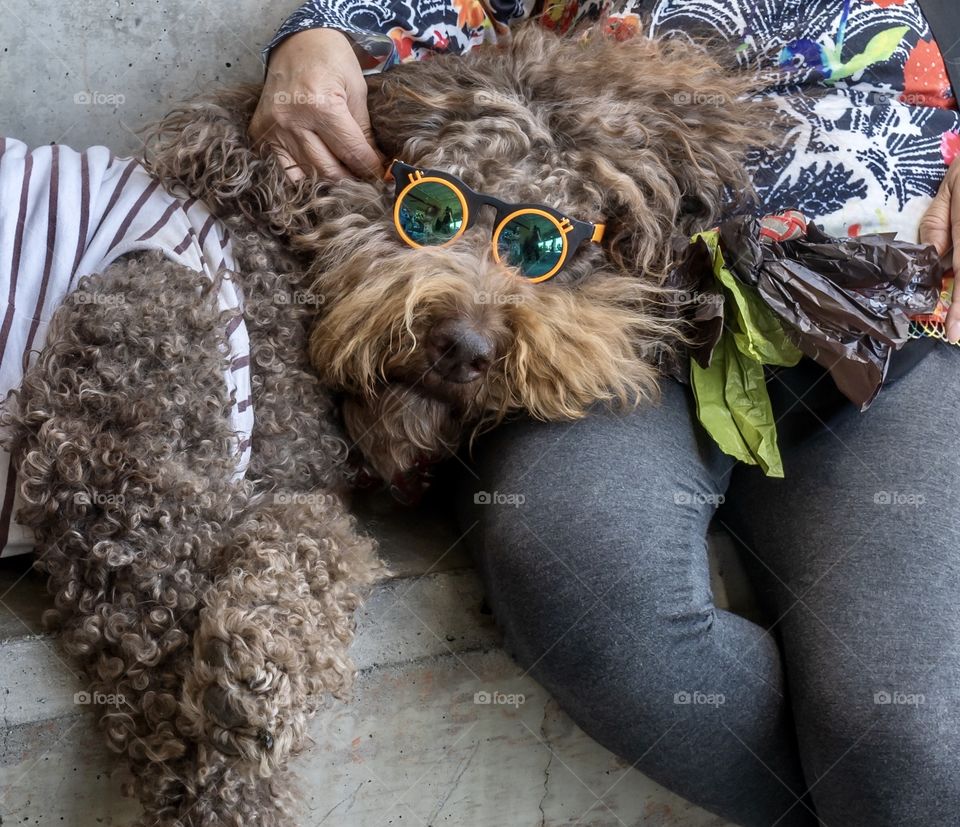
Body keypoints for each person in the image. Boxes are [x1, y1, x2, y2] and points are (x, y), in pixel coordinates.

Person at [252, 2, 960, 825]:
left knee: (909, 744)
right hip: (610, 316)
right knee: (585, 585)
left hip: (896, 315)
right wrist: (315, 36)